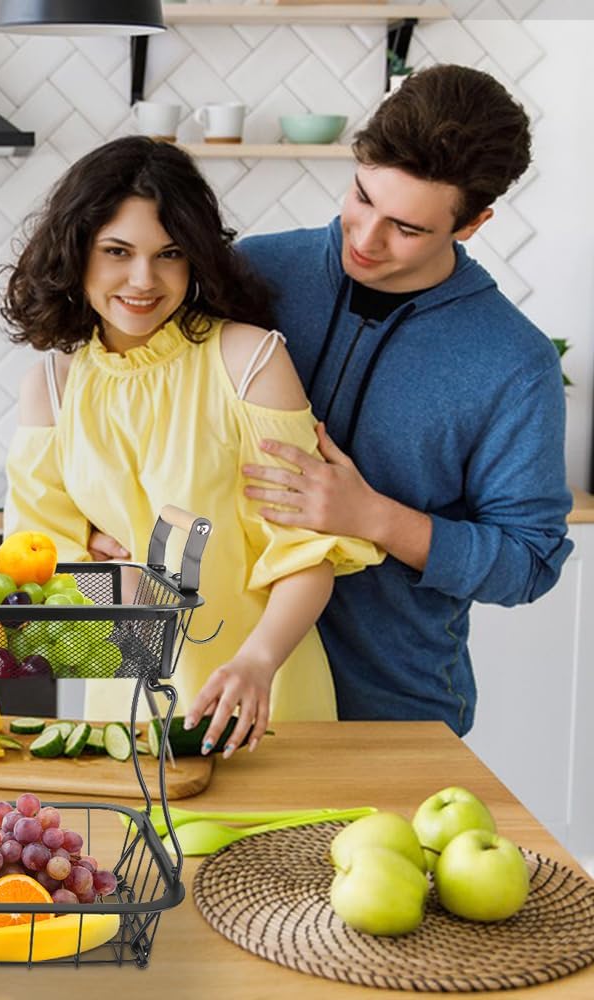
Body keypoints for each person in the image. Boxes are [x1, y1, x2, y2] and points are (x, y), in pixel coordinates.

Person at [0, 136, 382, 757]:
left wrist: (257, 663)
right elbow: (33, 573)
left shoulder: (249, 360)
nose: (143, 280)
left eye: (169, 254)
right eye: (117, 251)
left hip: (261, 701)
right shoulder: (51, 388)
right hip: (120, 713)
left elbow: (304, 553)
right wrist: (96, 570)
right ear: (76, 253)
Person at [230, 64, 574, 737]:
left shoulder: (514, 362)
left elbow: (529, 563)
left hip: (390, 712)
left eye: (408, 229)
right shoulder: (252, 274)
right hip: (213, 686)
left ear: (472, 224)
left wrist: (376, 518)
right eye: (362, 197)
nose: (365, 239)